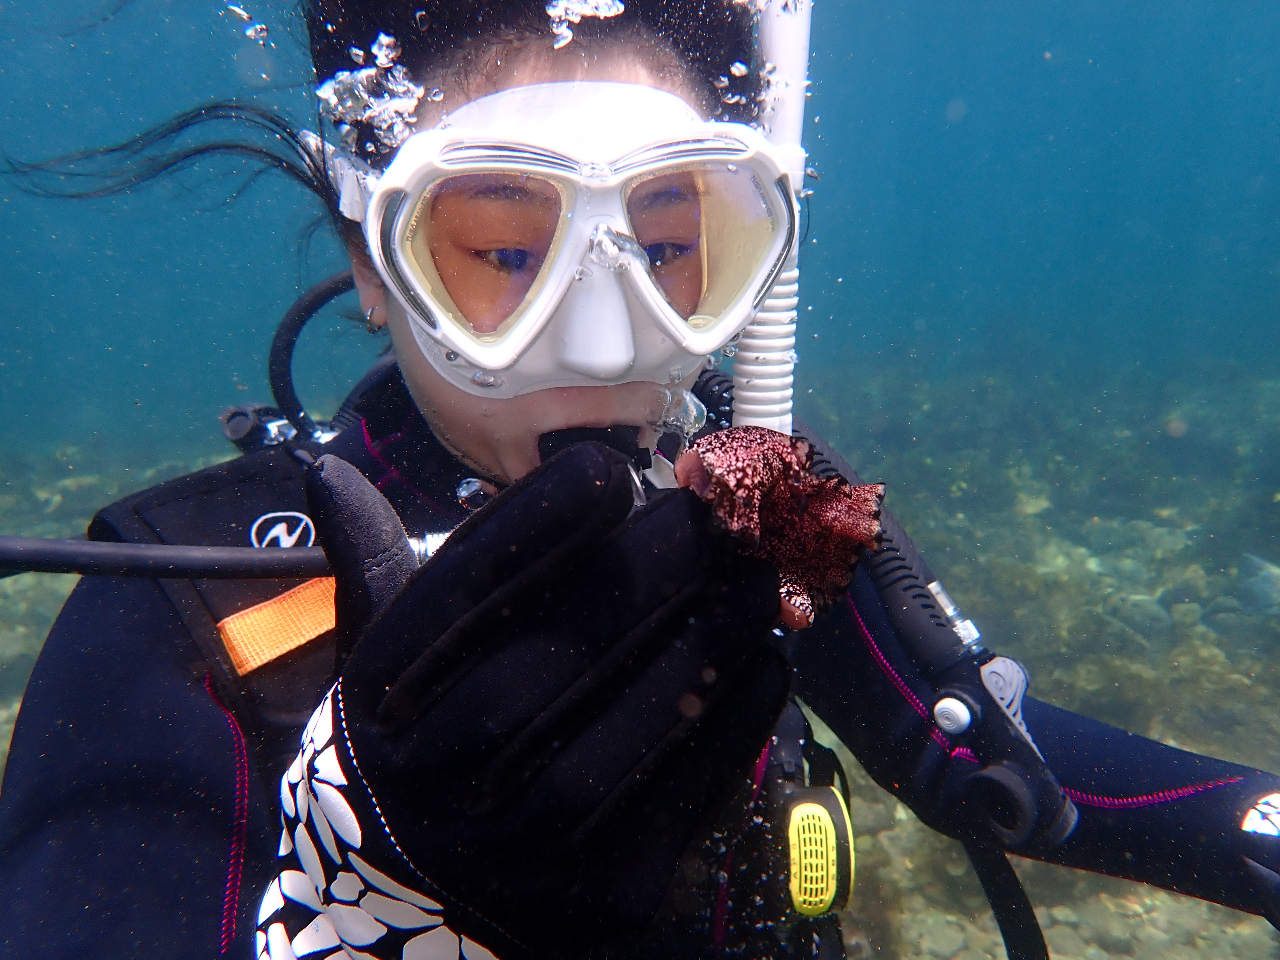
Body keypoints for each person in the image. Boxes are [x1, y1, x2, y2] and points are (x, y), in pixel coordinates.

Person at [4, 2, 1280, 959]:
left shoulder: (757, 503)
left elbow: (991, 755)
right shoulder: (178, 601)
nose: (605, 342)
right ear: (374, 264)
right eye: (505, 252)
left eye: (669, 248)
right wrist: (371, 895)